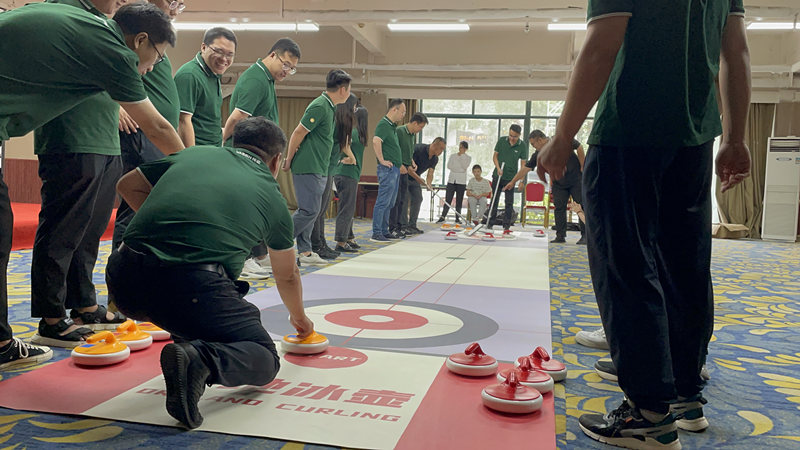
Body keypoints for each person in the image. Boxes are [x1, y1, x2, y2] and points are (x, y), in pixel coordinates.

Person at [535, 1, 750, 448]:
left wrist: (562, 135)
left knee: (625, 267)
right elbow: (736, 52)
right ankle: (686, 393)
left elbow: (600, 46)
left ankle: (649, 412)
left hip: (628, 130)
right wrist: (735, 138)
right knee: (685, 266)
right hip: (694, 136)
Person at [0, 1, 183, 354]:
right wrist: (192, 168)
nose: (151, 67)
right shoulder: (111, 47)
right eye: (156, 57)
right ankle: (32, 328)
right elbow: (157, 126)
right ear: (140, 41)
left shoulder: (92, 27)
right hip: (70, 145)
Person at [108, 117, 314, 430]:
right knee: (264, 357)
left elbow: (126, 185)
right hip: (191, 290)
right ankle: (199, 361)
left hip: (123, 279)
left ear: (231, 141)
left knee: (192, 316)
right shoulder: (273, 198)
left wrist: (172, 227)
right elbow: (286, 276)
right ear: (276, 162)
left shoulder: (193, 153)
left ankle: (189, 349)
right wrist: (299, 319)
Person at [222, 37, 301, 279]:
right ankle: (242, 258)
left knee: (255, 207)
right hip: (247, 154)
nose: (287, 71)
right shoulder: (256, 79)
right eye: (285, 65)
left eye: (292, 69)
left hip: (259, 155)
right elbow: (237, 118)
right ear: (272, 55)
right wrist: (222, 142)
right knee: (245, 208)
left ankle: (255, 255)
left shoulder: (265, 79)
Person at [113, 0, 186, 253]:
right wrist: (116, 107)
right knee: (133, 207)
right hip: (141, 134)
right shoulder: (127, 39)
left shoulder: (155, 40)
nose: (176, 8)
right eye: (171, 1)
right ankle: (121, 272)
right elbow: (104, 76)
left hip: (156, 138)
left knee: (148, 206)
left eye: (181, 3)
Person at [283, 70, 352, 265]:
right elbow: (298, 132)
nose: (348, 94)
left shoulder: (330, 107)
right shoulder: (320, 105)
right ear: (342, 90)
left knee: (311, 211)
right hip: (308, 166)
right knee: (309, 211)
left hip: (319, 167)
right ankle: (277, 244)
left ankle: (305, 252)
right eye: (349, 90)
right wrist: (288, 159)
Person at [504, 130, 586, 244]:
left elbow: (579, 147)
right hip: (559, 183)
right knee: (559, 208)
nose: (534, 147)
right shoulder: (539, 154)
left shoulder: (560, 139)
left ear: (540, 140)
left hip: (575, 179)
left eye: (533, 144)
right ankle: (560, 236)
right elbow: (526, 168)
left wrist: (583, 166)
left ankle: (585, 236)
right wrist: (513, 182)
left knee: (581, 206)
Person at [310, 94, 359, 259]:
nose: (355, 110)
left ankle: (321, 243)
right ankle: (316, 245)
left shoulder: (341, 123)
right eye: (354, 107)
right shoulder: (336, 122)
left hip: (330, 167)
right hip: (323, 167)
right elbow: (343, 145)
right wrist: (351, 157)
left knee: (322, 210)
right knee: (316, 211)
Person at [175, 27, 236, 147]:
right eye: (219, 51)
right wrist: (191, 157)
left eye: (230, 55)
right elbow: (182, 121)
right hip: (198, 153)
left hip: (212, 150)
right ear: (203, 47)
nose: (224, 59)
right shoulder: (189, 75)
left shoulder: (213, 74)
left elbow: (206, 120)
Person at [370, 99, 406, 243]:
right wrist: (382, 160)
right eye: (402, 112)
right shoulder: (384, 124)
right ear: (394, 110)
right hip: (387, 169)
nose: (403, 115)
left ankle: (384, 230)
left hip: (395, 169)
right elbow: (376, 141)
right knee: (383, 201)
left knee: (390, 202)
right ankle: (377, 232)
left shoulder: (392, 126)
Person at [333, 106, 369, 252]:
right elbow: (344, 145)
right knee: (346, 208)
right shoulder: (353, 132)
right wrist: (352, 158)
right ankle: (341, 242)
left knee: (348, 207)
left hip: (348, 173)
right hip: (346, 173)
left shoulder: (357, 133)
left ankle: (349, 237)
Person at [390, 113, 428, 237]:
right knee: (396, 200)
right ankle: (393, 226)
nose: (420, 130)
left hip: (406, 170)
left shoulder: (412, 136)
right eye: (421, 127)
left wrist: (412, 162)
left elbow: (409, 151)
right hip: (397, 169)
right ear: (415, 123)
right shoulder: (400, 131)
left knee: (402, 200)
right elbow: (394, 149)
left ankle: (401, 226)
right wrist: (399, 163)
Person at [487, 124, 528, 231]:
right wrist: (498, 168)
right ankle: (490, 223)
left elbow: (523, 165)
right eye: (510, 135)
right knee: (494, 199)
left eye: (514, 136)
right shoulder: (501, 141)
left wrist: (521, 180)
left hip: (511, 178)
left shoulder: (522, 145)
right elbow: (495, 156)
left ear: (519, 135)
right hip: (498, 175)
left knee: (509, 202)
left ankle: (506, 225)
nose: (512, 138)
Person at [406, 138, 446, 229]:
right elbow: (409, 168)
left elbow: (430, 173)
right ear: (435, 145)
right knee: (405, 200)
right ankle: (403, 226)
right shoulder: (418, 149)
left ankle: (412, 225)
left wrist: (429, 183)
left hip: (415, 178)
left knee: (418, 198)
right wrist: (420, 180)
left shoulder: (435, 158)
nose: (442, 152)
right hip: (404, 176)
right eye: (441, 149)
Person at [437, 140, 471, 224]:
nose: (460, 148)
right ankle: (443, 216)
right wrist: (458, 169)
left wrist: (461, 157)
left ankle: (457, 218)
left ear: (466, 149)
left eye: (462, 147)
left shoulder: (468, 158)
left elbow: (464, 167)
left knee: (459, 200)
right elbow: (449, 166)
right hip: (452, 180)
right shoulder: (453, 156)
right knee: (448, 199)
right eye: (459, 146)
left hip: (461, 181)